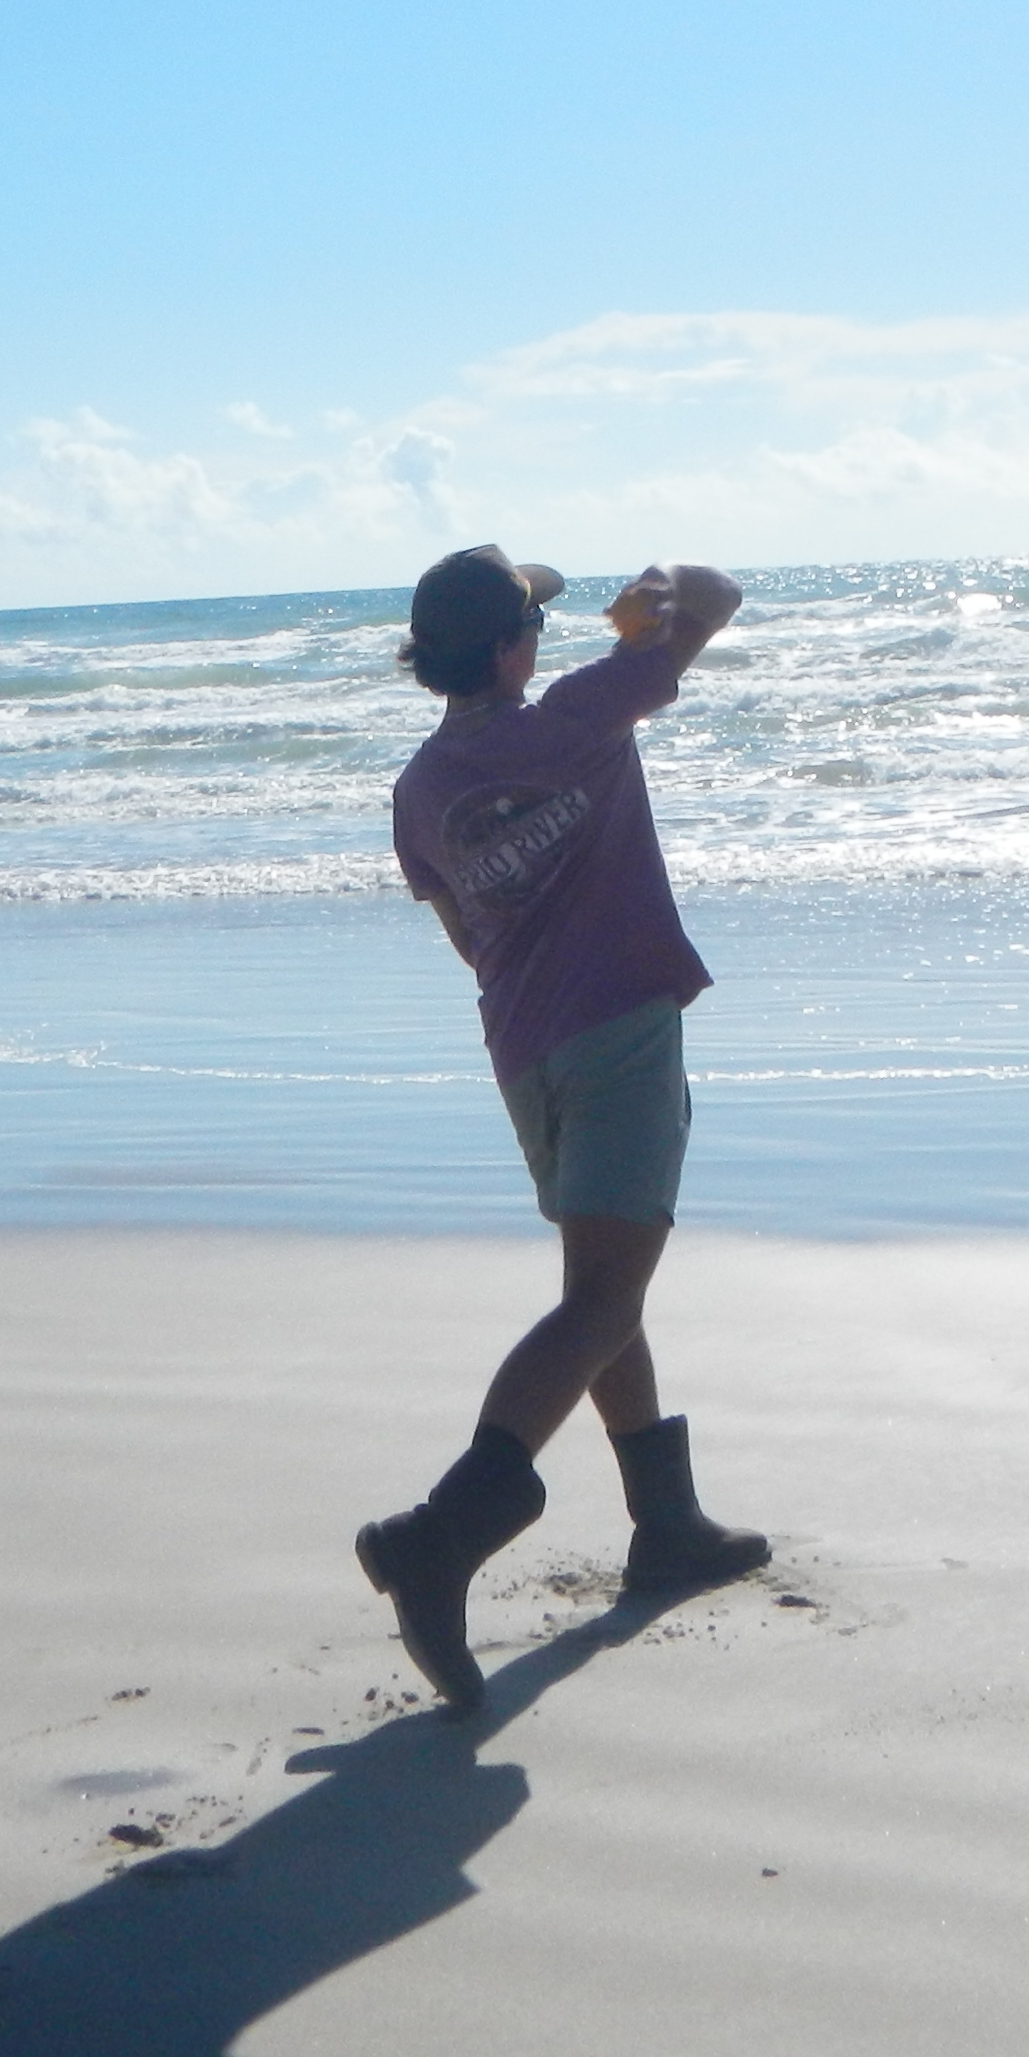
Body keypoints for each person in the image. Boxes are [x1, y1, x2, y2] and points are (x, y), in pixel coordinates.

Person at [355, 543, 769, 1716]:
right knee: (599, 1298)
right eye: (531, 617)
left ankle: (666, 1524)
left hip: (526, 1050)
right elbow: (720, 594)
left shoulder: (420, 792)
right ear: (507, 649)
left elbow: (465, 935)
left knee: (603, 1287)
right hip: (623, 1032)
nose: (541, 630)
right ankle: (442, 1534)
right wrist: (652, 598)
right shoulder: (584, 712)